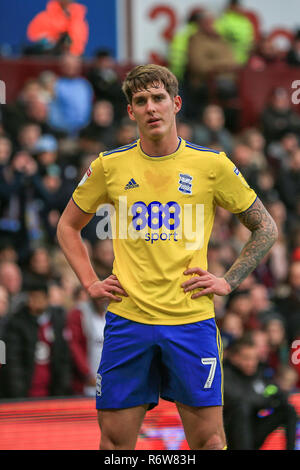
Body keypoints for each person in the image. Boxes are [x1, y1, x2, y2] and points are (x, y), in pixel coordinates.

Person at [57, 64, 278, 450]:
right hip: (129, 320)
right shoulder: (110, 166)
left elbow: (266, 227)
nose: (151, 108)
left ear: (175, 103)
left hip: (191, 322)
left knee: (209, 441)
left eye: (158, 98)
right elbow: (67, 226)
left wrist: (228, 280)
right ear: (130, 112)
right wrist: (90, 282)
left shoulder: (213, 165)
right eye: (140, 101)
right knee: (115, 443)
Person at [223, 336, 297, 449]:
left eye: (254, 358)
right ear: (234, 358)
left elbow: (276, 391)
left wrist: (267, 397)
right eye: (246, 358)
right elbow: (240, 400)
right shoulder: (225, 375)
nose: (251, 363)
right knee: (242, 408)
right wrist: (265, 398)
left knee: (288, 409)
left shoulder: (259, 373)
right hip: (231, 435)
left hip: (253, 430)